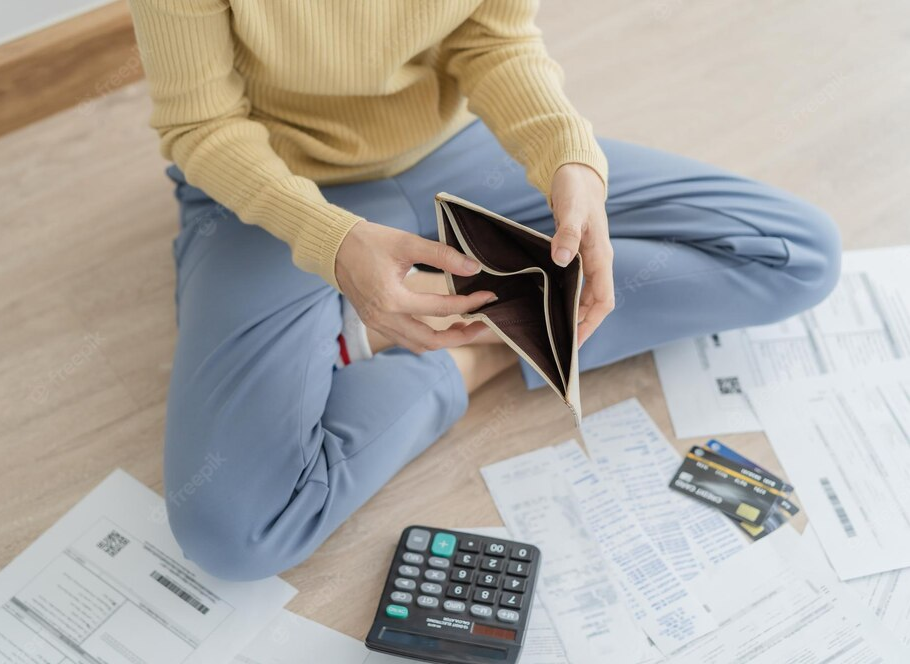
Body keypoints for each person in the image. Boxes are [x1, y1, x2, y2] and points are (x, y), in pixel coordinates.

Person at [127, 0, 840, 580]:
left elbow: (492, 37)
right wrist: (331, 243)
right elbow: (204, 126)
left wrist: (567, 157)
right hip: (274, 191)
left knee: (799, 253)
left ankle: (484, 346)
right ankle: (446, 313)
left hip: (454, 152)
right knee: (235, 532)